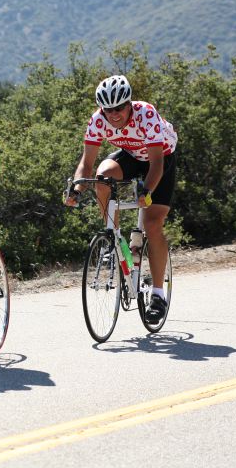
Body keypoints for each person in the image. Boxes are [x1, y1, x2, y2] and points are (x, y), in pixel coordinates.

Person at [65, 74, 178, 322]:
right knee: (102, 175)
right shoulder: (98, 120)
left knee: (152, 224)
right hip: (131, 155)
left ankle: (158, 295)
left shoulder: (146, 113)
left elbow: (156, 164)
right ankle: (111, 237)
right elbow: (87, 163)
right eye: (108, 110)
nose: (113, 114)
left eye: (119, 108)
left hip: (161, 158)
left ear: (129, 104)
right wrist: (76, 189)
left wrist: (146, 191)